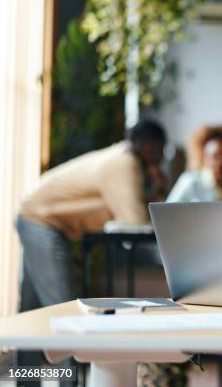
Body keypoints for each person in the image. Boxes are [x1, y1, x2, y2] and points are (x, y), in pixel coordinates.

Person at [15, 119, 166, 381]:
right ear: (150, 146)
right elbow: (136, 222)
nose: (163, 157)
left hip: (34, 216)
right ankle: (68, 383)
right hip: (44, 223)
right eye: (161, 149)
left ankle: (26, 382)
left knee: (34, 314)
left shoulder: (122, 158)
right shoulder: (125, 164)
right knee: (62, 314)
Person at [167, 124, 222, 202]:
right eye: (215, 156)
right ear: (204, 158)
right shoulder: (190, 181)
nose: (221, 162)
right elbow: (167, 211)